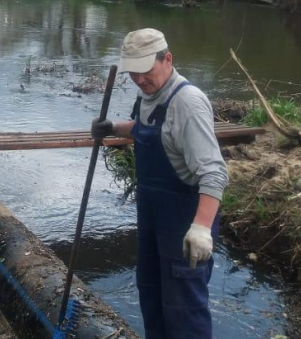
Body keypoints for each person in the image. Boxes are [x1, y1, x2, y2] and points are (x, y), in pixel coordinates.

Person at [91, 28, 227, 338]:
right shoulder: (150, 93)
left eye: (144, 71)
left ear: (168, 59)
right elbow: (146, 127)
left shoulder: (188, 103)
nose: (138, 79)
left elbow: (215, 172)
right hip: (152, 218)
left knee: (184, 312)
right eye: (132, 73)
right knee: (151, 296)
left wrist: (202, 228)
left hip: (183, 224)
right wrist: (113, 127)